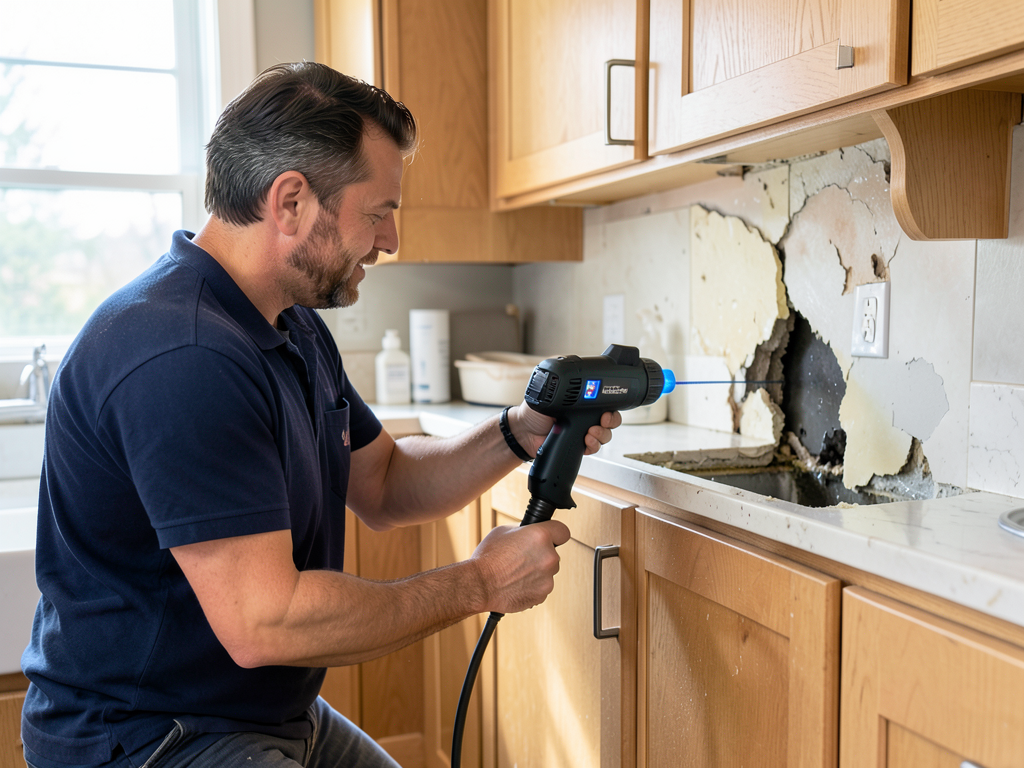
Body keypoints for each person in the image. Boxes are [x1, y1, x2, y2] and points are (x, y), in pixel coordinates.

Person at [20, 62, 620, 768]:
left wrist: (517, 432)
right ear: (292, 202)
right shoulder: (182, 355)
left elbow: (387, 483)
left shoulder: (288, 326)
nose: (392, 240)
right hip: (148, 739)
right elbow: (264, 622)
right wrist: (477, 583)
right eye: (378, 212)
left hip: (265, 713)